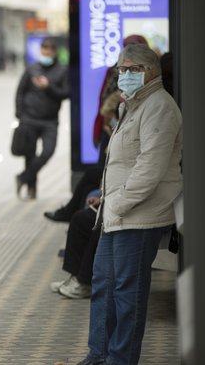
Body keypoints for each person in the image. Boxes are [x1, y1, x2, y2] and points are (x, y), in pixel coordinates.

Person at [77, 43, 182, 365]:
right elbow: (122, 162)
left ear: (150, 72)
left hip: (139, 216)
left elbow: (150, 167)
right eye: (121, 69)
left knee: (127, 294)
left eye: (131, 69)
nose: (124, 75)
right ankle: (98, 356)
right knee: (104, 286)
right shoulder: (132, 105)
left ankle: (120, 360)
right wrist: (107, 198)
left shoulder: (159, 107)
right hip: (118, 213)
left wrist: (118, 203)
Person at [14, 37, 69, 199]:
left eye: (49, 49)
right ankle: (31, 189)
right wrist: (19, 114)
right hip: (29, 118)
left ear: (55, 52)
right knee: (29, 154)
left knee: (47, 152)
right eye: (44, 49)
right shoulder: (32, 69)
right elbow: (20, 91)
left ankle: (23, 177)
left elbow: (65, 93)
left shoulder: (62, 70)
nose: (46, 52)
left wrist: (48, 87)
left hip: (50, 120)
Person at [92, 35, 147, 166]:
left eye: (134, 47)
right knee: (104, 167)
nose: (130, 51)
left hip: (138, 130)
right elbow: (104, 101)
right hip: (111, 127)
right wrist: (102, 127)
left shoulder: (150, 71)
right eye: (127, 47)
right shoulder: (114, 70)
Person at [49, 192, 101, 299]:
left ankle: (85, 282)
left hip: (123, 212)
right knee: (79, 218)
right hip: (112, 206)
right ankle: (75, 276)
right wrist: (102, 200)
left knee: (98, 230)